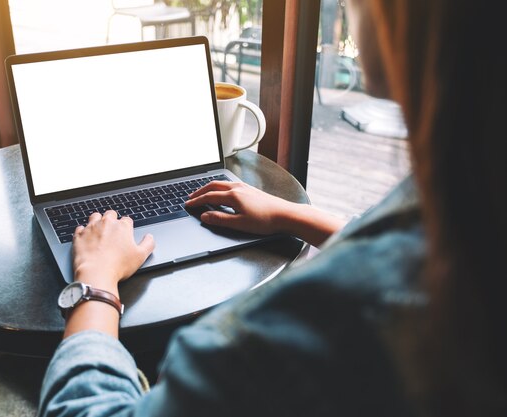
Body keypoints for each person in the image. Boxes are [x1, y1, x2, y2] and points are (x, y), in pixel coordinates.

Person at [39, 0, 506, 416]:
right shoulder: (473, 194)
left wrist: (96, 283)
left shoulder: (271, 346)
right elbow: (412, 239)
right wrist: (288, 213)